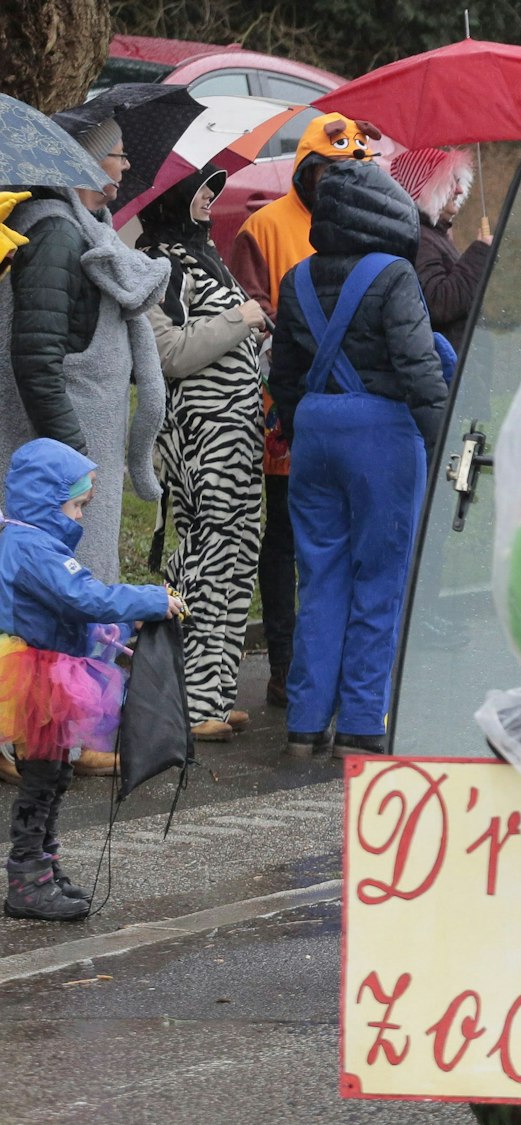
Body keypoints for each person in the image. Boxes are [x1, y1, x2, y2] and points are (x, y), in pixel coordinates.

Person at [0, 119, 169, 785]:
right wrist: (72, 455)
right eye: (116, 155)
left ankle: (69, 731)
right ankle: (52, 735)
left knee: (69, 587)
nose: (124, 167)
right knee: (57, 593)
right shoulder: (55, 233)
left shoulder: (76, 230)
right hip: (58, 457)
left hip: (68, 454)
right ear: (81, 162)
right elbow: (36, 356)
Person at [268, 159, 447, 758]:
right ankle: (363, 722)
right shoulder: (394, 275)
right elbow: (419, 368)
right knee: (380, 578)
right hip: (382, 435)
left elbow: (284, 376)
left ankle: (305, 722)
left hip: (315, 431)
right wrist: (442, 443)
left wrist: (302, 425)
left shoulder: (296, 278)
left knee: (319, 577)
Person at [225, 113, 380, 708]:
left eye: (354, 171)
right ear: (309, 170)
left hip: (355, 407)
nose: (344, 182)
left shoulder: (371, 226)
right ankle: (286, 665)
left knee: (347, 537)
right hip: (286, 411)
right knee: (286, 537)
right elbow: (249, 309)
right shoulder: (264, 227)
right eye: (333, 171)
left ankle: (338, 661)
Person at [0, 439, 183, 920]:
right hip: (37, 676)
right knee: (42, 777)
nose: (80, 517)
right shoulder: (34, 546)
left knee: (54, 774)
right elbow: (86, 598)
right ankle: (26, 879)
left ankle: (44, 865)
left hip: (51, 670)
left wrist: (124, 625)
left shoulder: (30, 541)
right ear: (46, 500)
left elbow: (75, 613)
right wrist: (149, 600)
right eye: (76, 505)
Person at [138, 166, 268, 743]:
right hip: (200, 434)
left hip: (238, 431)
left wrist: (250, 335)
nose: (211, 196)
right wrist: (240, 319)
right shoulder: (157, 264)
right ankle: (186, 700)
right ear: (171, 199)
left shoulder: (204, 256)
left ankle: (215, 692)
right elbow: (167, 353)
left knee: (238, 554)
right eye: (200, 189)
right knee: (205, 554)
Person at [386, 146, 491, 355]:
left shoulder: (433, 234)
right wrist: (480, 253)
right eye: (451, 182)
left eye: (459, 182)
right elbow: (439, 303)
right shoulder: (420, 239)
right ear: (427, 188)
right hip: (443, 364)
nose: (459, 190)